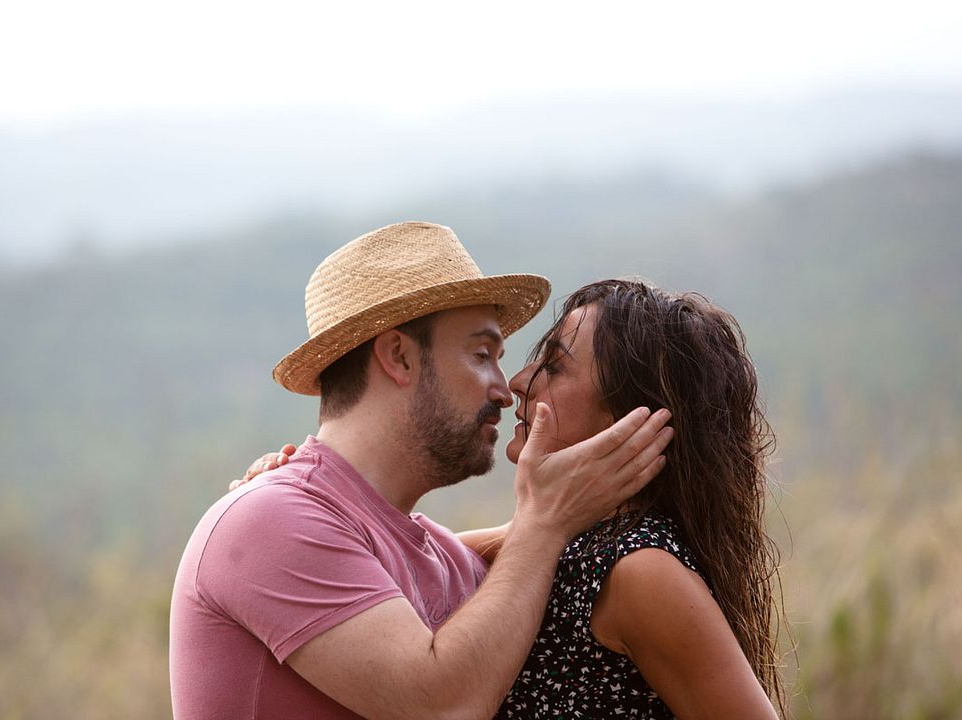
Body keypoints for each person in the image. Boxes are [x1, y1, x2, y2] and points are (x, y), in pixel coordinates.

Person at [169, 222, 673, 720]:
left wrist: (566, 512)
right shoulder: (269, 519)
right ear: (399, 358)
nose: (505, 390)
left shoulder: (446, 557)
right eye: (482, 355)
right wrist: (544, 521)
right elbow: (442, 707)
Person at [244, 279, 788, 718]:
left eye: (554, 365)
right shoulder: (560, 542)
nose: (519, 382)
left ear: (629, 415)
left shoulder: (641, 570)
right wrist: (295, 501)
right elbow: (406, 561)